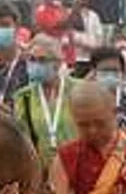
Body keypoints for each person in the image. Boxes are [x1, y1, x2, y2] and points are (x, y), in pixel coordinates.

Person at [10, 34, 76, 165]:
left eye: (42, 60)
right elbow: (24, 140)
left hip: (75, 166)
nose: (36, 64)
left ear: (57, 63)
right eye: (32, 59)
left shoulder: (79, 89)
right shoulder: (23, 96)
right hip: (41, 169)